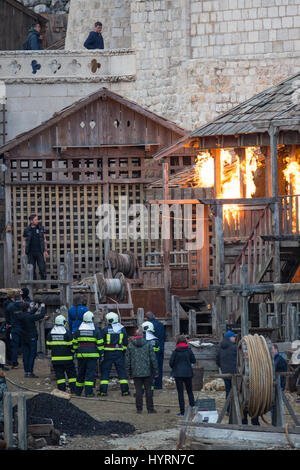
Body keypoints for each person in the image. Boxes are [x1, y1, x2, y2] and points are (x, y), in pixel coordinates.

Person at [125, 328, 158, 414]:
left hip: (136, 372)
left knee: (138, 391)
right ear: (142, 335)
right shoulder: (148, 344)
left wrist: (128, 372)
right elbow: (153, 358)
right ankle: (150, 409)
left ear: (135, 336)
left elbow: (127, 360)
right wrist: (156, 370)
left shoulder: (130, 346)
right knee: (148, 391)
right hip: (147, 371)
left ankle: (139, 409)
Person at [72, 311, 103, 397]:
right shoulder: (95, 330)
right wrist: (101, 353)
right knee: (90, 375)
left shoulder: (78, 330)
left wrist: (75, 351)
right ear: (92, 319)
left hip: (81, 356)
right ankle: (88, 392)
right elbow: (100, 344)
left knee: (80, 374)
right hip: (92, 357)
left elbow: (74, 344)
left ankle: (78, 392)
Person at [99, 312, 129, 397]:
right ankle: (125, 391)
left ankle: (103, 392)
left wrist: (101, 354)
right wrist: (122, 352)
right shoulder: (122, 329)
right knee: (122, 372)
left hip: (107, 353)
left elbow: (101, 342)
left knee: (105, 372)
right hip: (119, 353)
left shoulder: (105, 330)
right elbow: (125, 343)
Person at [46, 314, 76, 394]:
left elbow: (48, 346)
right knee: (72, 376)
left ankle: (61, 391)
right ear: (63, 322)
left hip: (56, 360)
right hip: (68, 360)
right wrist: (72, 352)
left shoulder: (50, 333)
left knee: (60, 377)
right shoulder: (67, 333)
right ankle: (73, 390)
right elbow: (72, 346)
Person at [17, 302, 46, 378]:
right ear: (28, 308)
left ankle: (26, 372)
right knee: (32, 355)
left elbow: (29, 314)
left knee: (25, 355)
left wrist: (35, 308)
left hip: (24, 337)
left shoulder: (20, 316)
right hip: (31, 337)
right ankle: (30, 372)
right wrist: (43, 307)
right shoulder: (29, 316)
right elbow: (41, 315)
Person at [169, 335, 196, 417]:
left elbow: (171, 363)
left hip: (178, 374)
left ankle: (182, 412)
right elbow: (193, 360)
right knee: (190, 391)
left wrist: (175, 367)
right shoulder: (189, 350)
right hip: (188, 373)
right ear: (185, 342)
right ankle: (192, 409)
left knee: (180, 393)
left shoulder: (175, 351)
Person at [23, 214, 48, 280]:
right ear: (31, 221)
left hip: (40, 252)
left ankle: (44, 285)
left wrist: (45, 250)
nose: (37, 221)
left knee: (42, 269)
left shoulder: (41, 228)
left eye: (37, 219)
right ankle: (33, 286)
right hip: (30, 253)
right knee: (32, 270)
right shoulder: (27, 229)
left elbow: (44, 240)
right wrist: (24, 251)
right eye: (35, 220)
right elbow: (24, 241)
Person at [145, 311, 166, 389]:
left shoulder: (148, 325)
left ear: (147, 318)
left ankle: (150, 384)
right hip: (160, 348)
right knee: (159, 367)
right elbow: (164, 336)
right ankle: (158, 384)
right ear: (154, 315)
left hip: (150, 349)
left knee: (149, 368)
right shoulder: (161, 324)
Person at [216, 330, 237, 405]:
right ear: (229, 338)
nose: (235, 338)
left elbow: (217, 360)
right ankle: (234, 408)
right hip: (234, 373)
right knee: (235, 391)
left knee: (228, 390)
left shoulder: (220, 347)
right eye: (233, 337)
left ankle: (228, 409)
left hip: (224, 372)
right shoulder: (234, 347)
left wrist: (222, 367)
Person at [142, 321, 160, 395]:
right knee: (151, 378)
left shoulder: (142, 339)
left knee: (142, 377)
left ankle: (142, 391)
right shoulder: (155, 340)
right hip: (152, 362)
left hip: (142, 361)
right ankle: (151, 392)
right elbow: (157, 351)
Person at [8, 293, 24, 369]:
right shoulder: (24, 305)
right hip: (23, 328)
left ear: (14, 298)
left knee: (14, 347)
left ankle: (15, 363)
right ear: (20, 298)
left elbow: (7, 314)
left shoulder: (10, 306)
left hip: (14, 328)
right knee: (25, 346)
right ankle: (26, 362)